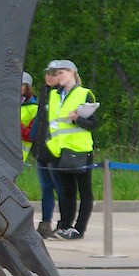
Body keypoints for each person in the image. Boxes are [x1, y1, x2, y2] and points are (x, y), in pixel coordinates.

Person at [44, 59, 98, 240]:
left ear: (72, 73)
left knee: (84, 191)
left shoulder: (84, 94)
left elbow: (93, 124)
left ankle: (79, 228)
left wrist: (77, 119)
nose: (59, 76)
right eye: (57, 73)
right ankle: (65, 225)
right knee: (66, 192)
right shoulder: (54, 96)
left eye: (62, 73)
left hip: (80, 149)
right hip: (60, 149)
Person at [29, 66, 64, 238]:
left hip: (55, 148)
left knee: (60, 187)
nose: (50, 77)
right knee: (46, 189)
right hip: (41, 148)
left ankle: (65, 223)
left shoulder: (62, 94)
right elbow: (41, 118)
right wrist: (33, 136)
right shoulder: (44, 92)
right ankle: (45, 223)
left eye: (54, 74)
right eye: (48, 74)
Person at [20, 71, 38, 163]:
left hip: (17, 154)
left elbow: (31, 135)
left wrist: (14, 124)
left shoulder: (34, 108)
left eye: (22, 84)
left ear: (27, 87)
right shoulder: (5, 103)